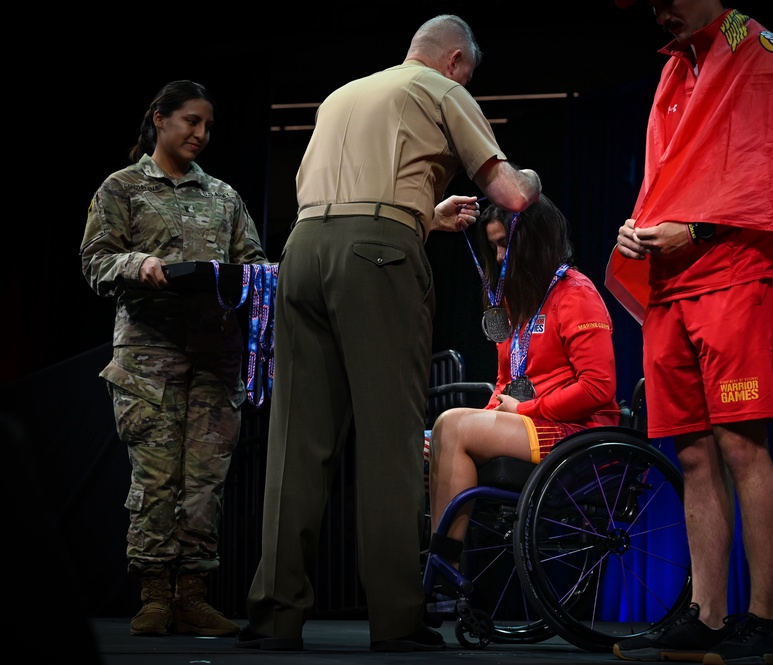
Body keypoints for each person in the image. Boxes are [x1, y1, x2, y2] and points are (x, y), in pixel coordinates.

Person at [236, 14, 542, 653]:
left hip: (300, 253)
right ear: (455, 61)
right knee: (392, 439)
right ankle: (396, 618)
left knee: (297, 445)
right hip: (379, 260)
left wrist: (425, 216)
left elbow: (351, 200)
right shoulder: (442, 89)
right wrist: (530, 189)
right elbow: (510, 194)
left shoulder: (344, 93)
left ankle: (272, 618)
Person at [605, 1, 773, 663]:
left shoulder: (760, 53)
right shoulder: (676, 68)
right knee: (694, 455)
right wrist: (637, 225)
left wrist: (697, 230)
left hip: (733, 277)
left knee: (740, 448)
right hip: (668, 286)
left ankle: (764, 619)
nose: (657, 14)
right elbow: (670, 180)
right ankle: (705, 614)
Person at [80, 79, 269, 638]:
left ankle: (194, 595)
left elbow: (253, 263)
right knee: (156, 481)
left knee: (205, 484)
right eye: (190, 121)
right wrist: (138, 264)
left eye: (207, 125)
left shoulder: (224, 197)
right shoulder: (123, 189)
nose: (200, 133)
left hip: (216, 358)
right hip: (149, 360)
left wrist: (248, 280)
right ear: (159, 119)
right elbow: (95, 261)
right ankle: (155, 595)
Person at [427, 195, 620, 560]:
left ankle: (444, 567)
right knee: (435, 436)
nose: (499, 257)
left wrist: (528, 409)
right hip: (532, 421)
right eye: (495, 246)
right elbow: (504, 385)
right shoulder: (519, 303)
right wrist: (484, 418)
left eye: (505, 244)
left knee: (451, 425)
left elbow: (598, 387)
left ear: (535, 241)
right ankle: (442, 564)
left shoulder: (576, 294)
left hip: (577, 433)